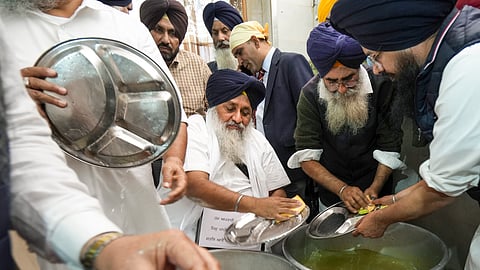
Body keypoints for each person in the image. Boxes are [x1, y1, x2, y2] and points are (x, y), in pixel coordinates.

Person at [0, 19, 219, 270]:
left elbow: (171, 111)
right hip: (59, 235)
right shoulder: (7, 31)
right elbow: (26, 166)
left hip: (137, 207)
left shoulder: (124, 27)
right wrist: (16, 101)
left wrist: (173, 159)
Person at [329, 0, 480, 269]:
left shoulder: (467, 68)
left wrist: (380, 219)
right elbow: (444, 174)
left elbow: (441, 190)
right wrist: (396, 200)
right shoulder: (454, 55)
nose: (376, 69)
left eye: (375, 56)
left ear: (401, 38)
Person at [165, 69, 302, 239]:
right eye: (230, 109)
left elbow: (277, 189)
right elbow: (194, 185)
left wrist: (271, 215)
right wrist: (255, 205)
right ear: (213, 107)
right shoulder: (196, 128)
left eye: (245, 113)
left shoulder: (257, 139)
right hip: (198, 237)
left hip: (252, 233)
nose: (237, 119)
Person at [287, 22, 404, 213]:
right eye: (332, 82)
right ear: (322, 76)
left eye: (349, 78)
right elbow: (307, 156)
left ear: (358, 68)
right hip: (331, 196)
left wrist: (374, 189)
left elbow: (389, 145)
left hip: (377, 190)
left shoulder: (382, 86)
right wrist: (342, 190)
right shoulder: (309, 94)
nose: (341, 89)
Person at [229, 21, 316, 213]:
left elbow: (310, 114)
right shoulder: (253, 76)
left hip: (293, 167)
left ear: (255, 41)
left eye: (240, 52)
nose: (240, 60)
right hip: (269, 171)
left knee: (299, 220)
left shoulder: (290, 62)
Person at [140, 0, 211, 117]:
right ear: (147, 31)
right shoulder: (134, 64)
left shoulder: (197, 66)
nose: (166, 40)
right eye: (159, 30)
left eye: (172, 33)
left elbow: (215, 111)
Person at [202, 1, 243, 71]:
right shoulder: (207, 71)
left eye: (225, 31)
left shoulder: (251, 66)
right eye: (215, 33)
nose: (220, 38)